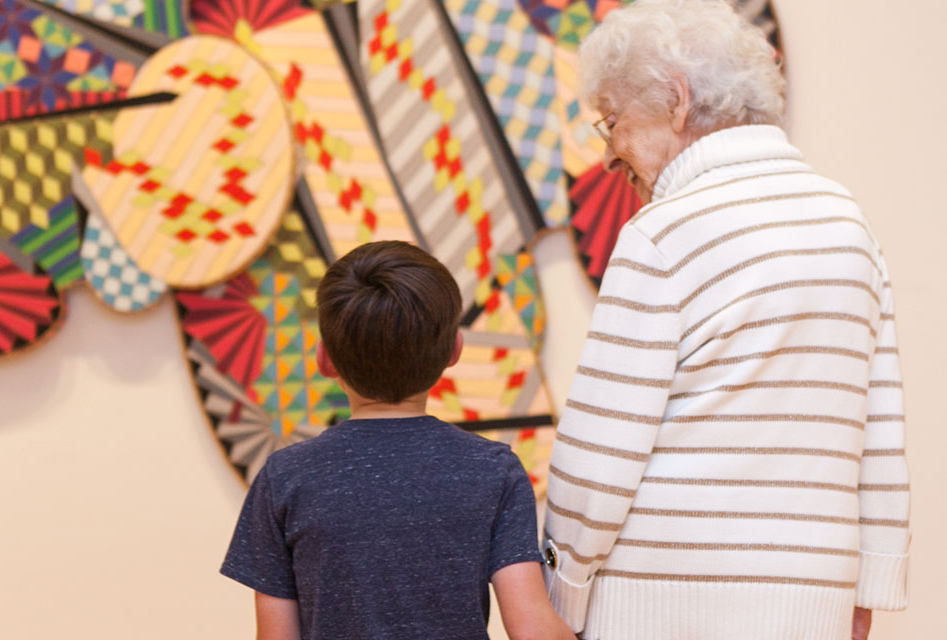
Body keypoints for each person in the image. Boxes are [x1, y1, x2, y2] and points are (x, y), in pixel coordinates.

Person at [540, 1, 911, 638]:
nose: (608, 157)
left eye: (612, 124)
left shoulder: (662, 232)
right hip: (809, 606)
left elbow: (601, 449)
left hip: (656, 610)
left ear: (677, 101)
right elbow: (879, 431)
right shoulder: (847, 224)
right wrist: (863, 597)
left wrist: (559, 601)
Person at [220, 241, 574, 640]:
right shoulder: (494, 470)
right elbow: (532, 629)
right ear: (454, 351)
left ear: (324, 359)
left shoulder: (283, 478)